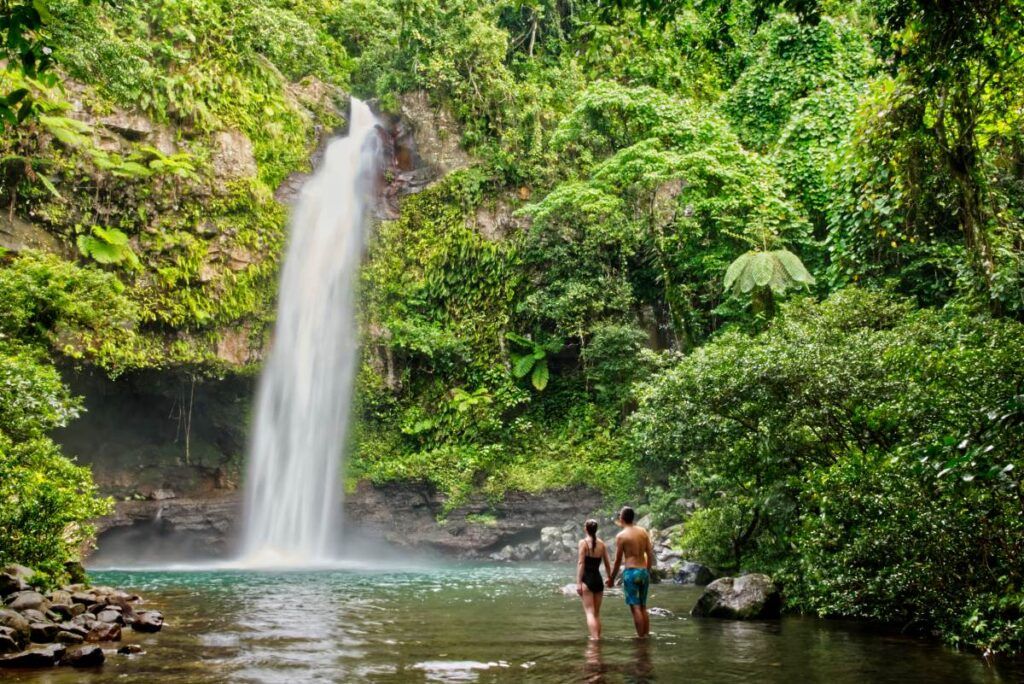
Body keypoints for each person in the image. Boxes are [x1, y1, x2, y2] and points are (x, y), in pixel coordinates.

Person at [606, 505, 655, 638]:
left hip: (631, 573)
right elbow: (649, 553)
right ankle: (646, 635)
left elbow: (617, 561)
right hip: (643, 571)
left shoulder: (621, 536)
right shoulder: (643, 532)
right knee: (643, 606)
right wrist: (648, 570)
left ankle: (640, 638)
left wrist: (611, 578)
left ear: (621, 519)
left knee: (635, 607)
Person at [576, 518, 612, 640]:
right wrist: (610, 578)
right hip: (598, 580)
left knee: (590, 613)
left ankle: (594, 639)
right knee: (596, 614)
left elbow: (581, 563)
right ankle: (598, 638)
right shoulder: (602, 544)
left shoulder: (583, 543)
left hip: (587, 580)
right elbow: (607, 564)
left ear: (586, 529)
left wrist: (578, 583)